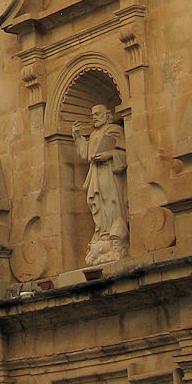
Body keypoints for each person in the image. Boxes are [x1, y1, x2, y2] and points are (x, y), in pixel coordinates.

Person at [73, 103, 129, 265]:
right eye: (93, 115)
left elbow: (123, 153)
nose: (94, 117)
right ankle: (102, 232)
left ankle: (115, 234)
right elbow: (86, 153)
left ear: (107, 114)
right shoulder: (94, 134)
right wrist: (77, 136)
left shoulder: (114, 130)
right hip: (96, 173)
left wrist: (109, 155)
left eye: (98, 113)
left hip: (111, 173)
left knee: (112, 202)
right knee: (96, 202)